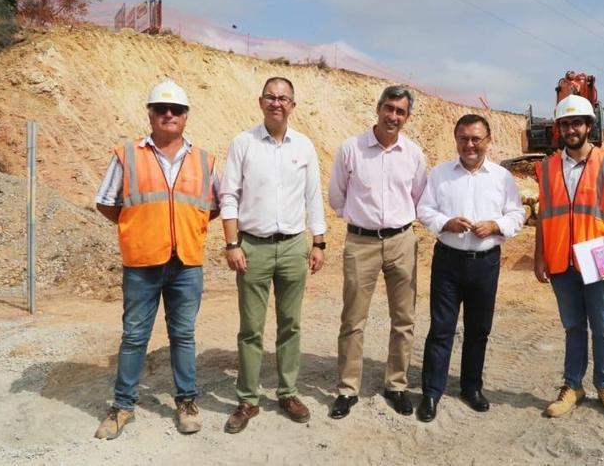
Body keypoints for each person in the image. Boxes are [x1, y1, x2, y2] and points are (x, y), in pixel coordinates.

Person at [94, 79, 219, 439]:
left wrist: (186, 229)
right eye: (161, 109)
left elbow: (211, 207)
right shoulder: (128, 154)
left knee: (183, 335)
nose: (169, 115)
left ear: (185, 116)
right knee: (134, 337)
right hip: (141, 263)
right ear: (150, 114)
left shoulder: (204, 159)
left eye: (176, 110)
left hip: (186, 264)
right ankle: (122, 406)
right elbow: (106, 201)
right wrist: (137, 227)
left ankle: (186, 401)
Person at [219, 77, 326, 433]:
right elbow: (229, 196)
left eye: (283, 98)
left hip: (294, 245)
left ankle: (288, 392)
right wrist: (233, 244)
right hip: (253, 246)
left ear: (293, 105)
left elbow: (313, 197)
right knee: (251, 328)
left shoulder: (305, 147)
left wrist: (319, 242)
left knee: (290, 324)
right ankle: (248, 399)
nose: (276, 103)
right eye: (270, 97)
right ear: (260, 101)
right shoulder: (243, 143)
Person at [415, 114, 524, 422]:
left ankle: (471, 388)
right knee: (441, 329)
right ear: (456, 140)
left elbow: (516, 213)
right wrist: (444, 223)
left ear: (488, 141)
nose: (470, 145)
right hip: (448, 261)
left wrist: (496, 225)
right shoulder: (440, 174)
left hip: (485, 264)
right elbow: (424, 209)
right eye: (463, 138)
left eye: (476, 138)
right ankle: (431, 392)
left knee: (478, 330)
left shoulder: (502, 177)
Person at [328, 85, 427, 419]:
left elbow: (418, 197)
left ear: (407, 117)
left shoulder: (414, 154)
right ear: (378, 108)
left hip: (402, 241)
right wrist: (363, 223)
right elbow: (337, 196)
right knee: (353, 318)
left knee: (404, 319)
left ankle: (396, 384)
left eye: (400, 111)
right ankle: (347, 389)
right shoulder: (351, 149)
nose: (393, 116)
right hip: (361, 243)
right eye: (389, 108)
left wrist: (394, 226)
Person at [533, 94, 604, 418]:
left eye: (577, 123)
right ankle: (572, 385)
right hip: (561, 261)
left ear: (589, 125)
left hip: (598, 262)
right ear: (559, 129)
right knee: (573, 327)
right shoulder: (546, 168)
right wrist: (538, 256)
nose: (571, 129)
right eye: (565, 124)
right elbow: (544, 216)